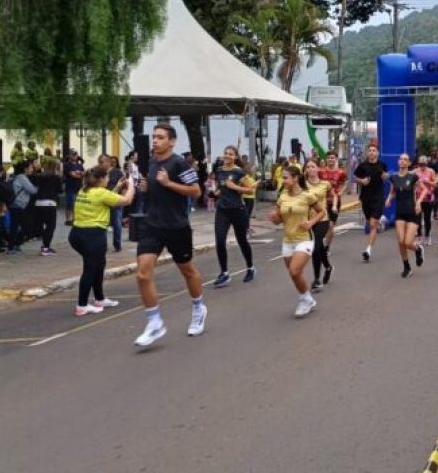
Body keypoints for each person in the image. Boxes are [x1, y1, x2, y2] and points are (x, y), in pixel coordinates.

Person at [132, 124, 207, 348]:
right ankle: (154, 322)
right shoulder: (151, 163)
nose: (155, 141)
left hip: (176, 226)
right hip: (151, 225)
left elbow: (196, 191)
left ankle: (198, 308)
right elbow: (154, 189)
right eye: (154, 137)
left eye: (160, 137)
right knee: (142, 274)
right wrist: (147, 187)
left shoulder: (179, 163)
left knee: (187, 271)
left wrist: (168, 183)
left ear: (171, 141)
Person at [70, 167, 135, 316]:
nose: (108, 180)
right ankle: (82, 305)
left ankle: (99, 299)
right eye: (107, 177)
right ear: (100, 179)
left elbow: (108, 198)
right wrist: (131, 185)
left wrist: (118, 186)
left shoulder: (84, 190)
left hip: (77, 234)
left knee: (98, 265)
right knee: (90, 269)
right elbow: (127, 200)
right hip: (92, 235)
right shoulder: (100, 193)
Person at [268, 165, 326, 318]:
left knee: (294, 271)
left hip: (304, 239)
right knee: (295, 274)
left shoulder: (307, 196)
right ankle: (308, 299)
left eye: (286, 178)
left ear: (295, 178)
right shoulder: (282, 197)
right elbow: (279, 220)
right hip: (288, 240)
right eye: (283, 178)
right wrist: (274, 218)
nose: (283, 180)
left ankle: (303, 300)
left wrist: (311, 222)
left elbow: (322, 212)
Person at [211, 146, 257, 289]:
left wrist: (234, 187)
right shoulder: (219, 170)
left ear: (236, 157)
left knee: (242, 241)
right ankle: (224, 273)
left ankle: (250, 268)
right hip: (222, 210)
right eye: (226, 153)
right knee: (220, 241)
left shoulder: (238, 172)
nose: (227, 156)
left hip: (238, 210)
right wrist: (215, 193)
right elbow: (220, 188)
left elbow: (250, 190)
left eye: (230, 154)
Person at [385, 153, 424, 278]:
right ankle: (407, 267)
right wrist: (388, 199)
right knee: (401, 241)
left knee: (407, 242)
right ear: (398, 161)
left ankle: (418, 249)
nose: (402, 161)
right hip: (400, 212)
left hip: (412, 212)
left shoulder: (413, 176)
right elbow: (392, 192)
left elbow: (424, 190)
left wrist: (419, 202)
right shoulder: (394, 177)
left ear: (409, 163)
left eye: (405, 159)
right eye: (401, 159)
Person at [354, 144, 388, 262]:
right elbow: (355, 177)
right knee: (369, 223)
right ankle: (381, 222)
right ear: (367, 153)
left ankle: (368, 250)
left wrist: (385, 176)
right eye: (370, 150)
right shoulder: (362, 165)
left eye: (374, 150)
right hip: (366, 197)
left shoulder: (382, 165)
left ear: (377, 153)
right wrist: (362, 180)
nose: (372, 152)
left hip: (378, 197)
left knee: (372, 224)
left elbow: (385, 176)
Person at [305, 160, 334, 291]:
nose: (310, 169)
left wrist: (334, 205)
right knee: (320, 248)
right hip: (307, 220)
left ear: (317, 169)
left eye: (313, 166)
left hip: (322, 218)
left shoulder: (325, 184)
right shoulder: (302, 185)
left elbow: (334, 196)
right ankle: (328, 267)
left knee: (316, 248)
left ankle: (317, 279)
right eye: (308, 167)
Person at [32, 159, 62, 256]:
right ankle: (45, 247)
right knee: (50, 226)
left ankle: (43, 243)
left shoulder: (39, 177)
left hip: (38, 203)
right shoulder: (56, 178)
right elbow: (60, 190)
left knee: (40, 224)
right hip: (50, 203)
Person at [6, 160, 37, 255]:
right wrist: (37, 188)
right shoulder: (22, 178)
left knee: (15, 226)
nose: (31, 170)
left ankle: (13, 246)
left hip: (14, 204)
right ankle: (13, 246)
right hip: (19, 205)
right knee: (25, 226)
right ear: (25, 169)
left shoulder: (15, 176)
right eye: (30, 168)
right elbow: (32, 190)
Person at [317, 151, 347, 249]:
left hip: (335, 202)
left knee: (331, 225)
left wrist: (341, 191)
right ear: (326, 159)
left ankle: (327, 247)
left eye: (333, 158)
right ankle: (320, 242)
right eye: (329, 157)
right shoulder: (320, 172)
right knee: (322, 225)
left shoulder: (341, 172)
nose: (331, 159)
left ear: (336, 159)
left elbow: (345, 183)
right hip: (322, 202)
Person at [98, 154, 125, 252]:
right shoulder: (99, 173)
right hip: (103, 201)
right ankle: (103, 245)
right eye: (99, 162)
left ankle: (117, 244)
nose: (100, 164)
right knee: (103, 223)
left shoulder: (117, 172)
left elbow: (123, 185)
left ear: (108, 162)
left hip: (115, 201)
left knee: (117, 223)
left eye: (102, 162)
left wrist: (123, 198)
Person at [415, 155, 437, 246]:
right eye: (420, 164)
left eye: (424, 164)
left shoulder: (431, 171)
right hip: (418, 198)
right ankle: (419, 236)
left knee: (427, 219)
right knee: (417, 218)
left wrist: (428, 182)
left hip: (428, 198)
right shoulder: (415, 171)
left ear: (426, 164)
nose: (422, 166)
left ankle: (427, 236)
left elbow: (435, 185)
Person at [62, 150, 84, 226]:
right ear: (70, 155)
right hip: (70, 186)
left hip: (78, 186)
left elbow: (83, 173)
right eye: (72, 154)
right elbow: (72, 174)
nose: (74, 156)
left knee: (77, 203)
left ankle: (75, 218)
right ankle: (68, 219)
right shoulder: (66, 165)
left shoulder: (79, 165)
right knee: (70, 203)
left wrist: (78, 173)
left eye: (75, 154)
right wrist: (78, 173)